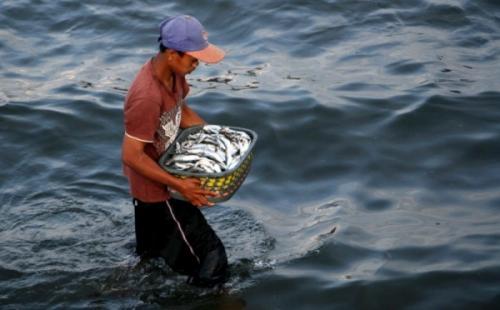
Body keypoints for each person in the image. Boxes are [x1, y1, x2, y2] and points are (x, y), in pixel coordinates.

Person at [121, 15, 228, 287]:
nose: (197, 64)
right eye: (193, 59)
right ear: (172, 54)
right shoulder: (146, 96)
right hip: (157, 191)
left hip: (166, 176)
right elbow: (132, 155)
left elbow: (181, 111)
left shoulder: (175, 76)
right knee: (212, 258)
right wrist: (182, 185)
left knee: (151, 258)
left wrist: (218, 138)